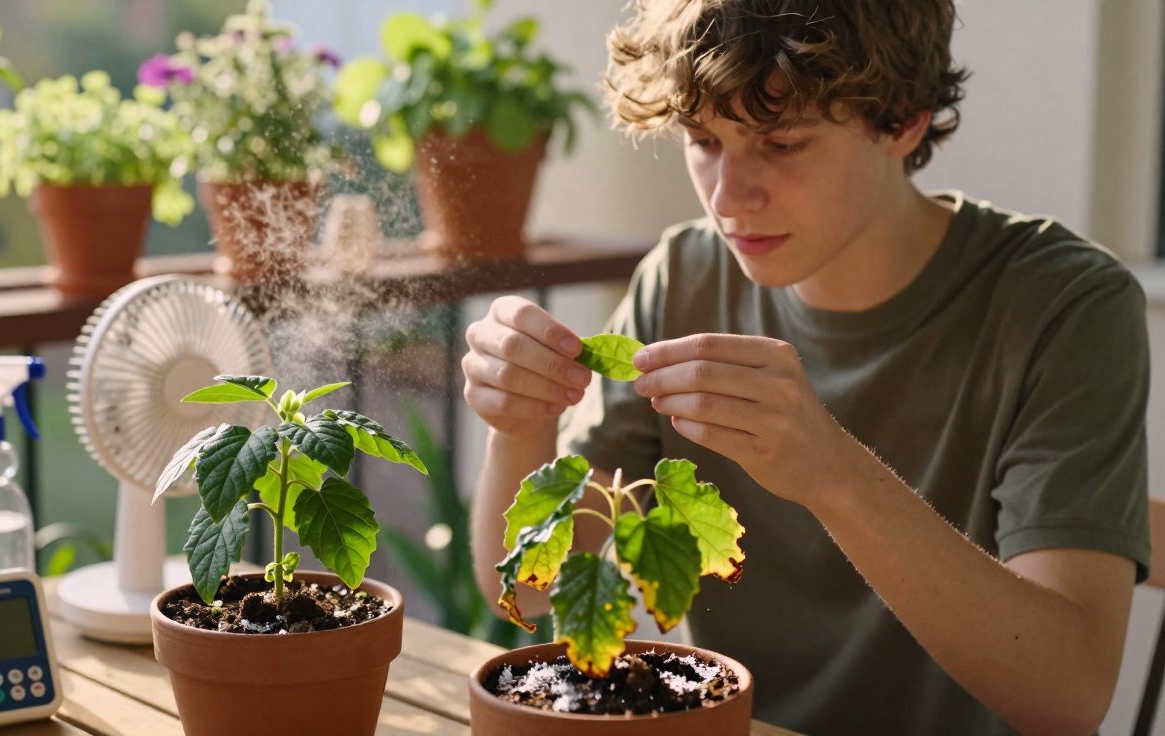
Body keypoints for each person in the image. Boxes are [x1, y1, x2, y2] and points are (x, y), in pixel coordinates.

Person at [462, 1, 1150, 734]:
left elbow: (1068, 699)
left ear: (905, 119)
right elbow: (529, 590)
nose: (728, 199)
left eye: (782, 143)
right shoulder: (686, 275)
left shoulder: (1063, 305)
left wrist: (832, 472)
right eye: (702, 140)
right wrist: (520, 426)